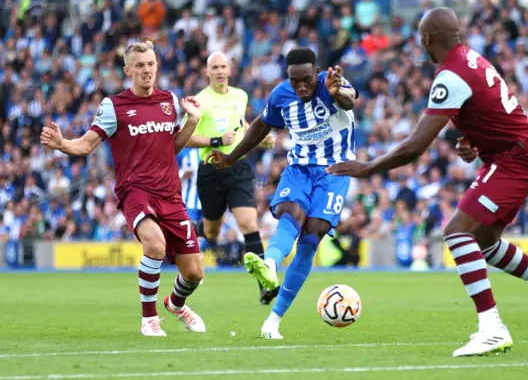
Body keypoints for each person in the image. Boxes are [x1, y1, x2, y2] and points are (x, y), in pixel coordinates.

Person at [327, 8, 528, 357]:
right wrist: (475, 141)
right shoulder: (470, 59)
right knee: (483, 243)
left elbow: (415, 147)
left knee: (457, 231)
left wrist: (368, 167)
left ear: (426, 40)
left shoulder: (451, 74)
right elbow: (488, 109)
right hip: (514, 153)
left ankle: (491, 327)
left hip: (518, 157)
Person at [40, 41, 207, 337]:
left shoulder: (168, 101)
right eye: (140, 65)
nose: (146, 70)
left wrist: (192, 120)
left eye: (151, 64)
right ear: (127, 70)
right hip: (136, 191)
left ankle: (176, 304)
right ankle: (149, 319)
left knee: (194, 272)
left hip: (170, 194)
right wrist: (62, 144)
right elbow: (87, 144)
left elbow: (173, 147)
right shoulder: (113, 106)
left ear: (157, 66)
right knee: (155, 246)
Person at [207, 47, 358, 339]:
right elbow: (261, 127)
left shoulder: (333, 81)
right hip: (299, 168)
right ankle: (271, 264)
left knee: (311, 237)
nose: (300, 86)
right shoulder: (280, 96)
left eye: (306, 79)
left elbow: (349, 102)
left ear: (316, 72)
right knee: (291, 214)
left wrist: (337, 92)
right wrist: (231, 157)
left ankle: (273, 320)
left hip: (335, 171)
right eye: (294, 80)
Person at [187, 51, 278, 305]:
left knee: (249, 224)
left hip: (238, 168)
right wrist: (216, 141)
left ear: (230, 70)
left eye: (223, 66)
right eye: (214, 67)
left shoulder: (240, 95)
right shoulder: (199, 101)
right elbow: (184, 137)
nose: (219, 71)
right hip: (211, 171)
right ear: (207, 72)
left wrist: (259, 138)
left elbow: (241, 123)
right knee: (212, 232)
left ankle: (264, 285)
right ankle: (188, 229)